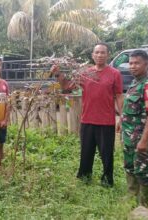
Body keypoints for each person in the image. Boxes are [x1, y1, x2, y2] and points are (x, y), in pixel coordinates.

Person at [51, 43, 123, 187]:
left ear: (107, 55)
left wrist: (121, 117)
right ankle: (84, 177)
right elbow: (67, 87)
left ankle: (107, 181)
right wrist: (58, 73)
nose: (100, 55)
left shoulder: (115, 73)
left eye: (103, 52)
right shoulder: (85, 73)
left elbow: (119, 96)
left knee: (107, 154)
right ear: (92, 55)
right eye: (97, 52)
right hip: (87, 120)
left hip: (106, 121)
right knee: (86, 152)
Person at [121, 50, 148, 208]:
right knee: (129, 166)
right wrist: (121, 121)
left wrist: (144, 140)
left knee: (142, 170)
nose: (132, 66)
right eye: (130, 63)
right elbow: (131, 107)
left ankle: (144, 205)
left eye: (137, 63)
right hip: (129, 135)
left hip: (140, 137)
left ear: (146, 64)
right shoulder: (135, 82)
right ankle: (132, 197)